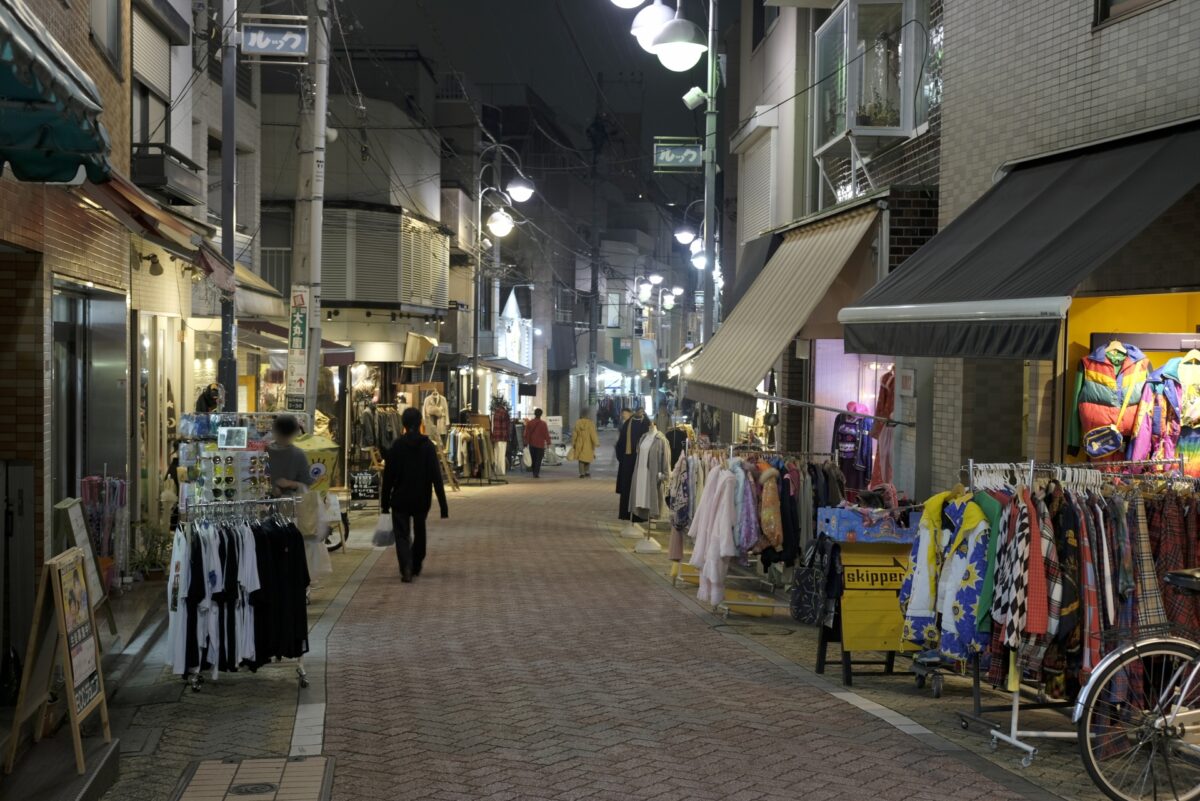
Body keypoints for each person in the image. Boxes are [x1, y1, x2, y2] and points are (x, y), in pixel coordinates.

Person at [380, 407, 449, 582]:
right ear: (420, 424)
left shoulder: (397, 446)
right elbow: (436, 476)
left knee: (402, 534)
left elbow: (388, 476)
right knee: (420, 531)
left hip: (400, 498)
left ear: (403, 424)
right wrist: (443, 505)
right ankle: (416, 563)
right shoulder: (427, 446)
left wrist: (385, 502)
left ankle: (406, 566)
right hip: (421, 498)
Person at [614, 407, 650, 520]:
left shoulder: (628, 424)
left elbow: (619, 444)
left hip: (628, 461)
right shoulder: (647, 424)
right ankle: (638, 516)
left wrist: (622, 459)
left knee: (627, 488)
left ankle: (625, 514)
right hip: (641, 461)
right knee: (639, 488)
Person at [269, 415, 313, 496]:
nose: (283, 439)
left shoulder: (263, 451)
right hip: (292, 504)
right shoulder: (299, 454)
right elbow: (307, 485)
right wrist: (291, 483)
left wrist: (288, 484)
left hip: (261, 504)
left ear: (274, 431)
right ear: (295, 433)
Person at [571, 408, 600, 478]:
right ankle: (587, 471)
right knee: (588, 457)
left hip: (579, 442)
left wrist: (573, 442)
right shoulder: (590, 423)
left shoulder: (578, 422)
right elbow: (593, 434)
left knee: (581, 458)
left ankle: (582, 473)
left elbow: (574, 434)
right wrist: (596, 442)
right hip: (589, 442)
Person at [523, 408, 551, 478]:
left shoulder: (530, 423)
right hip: (540, 445)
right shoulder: (543, 424)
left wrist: (526, 442)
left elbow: (527, 433)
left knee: (533, 458)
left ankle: (534, 471)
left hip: (532, 444)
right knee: (538, 459)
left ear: (534, 414)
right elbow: (546, 434)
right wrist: (548, 442)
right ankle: (536, 473)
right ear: (541, 414)